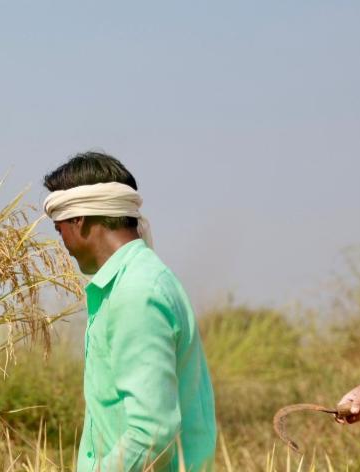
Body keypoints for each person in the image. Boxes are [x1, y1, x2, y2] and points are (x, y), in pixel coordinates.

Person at [42, 152, 217, 471]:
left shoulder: (136, 291)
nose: (63, 243)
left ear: (79, 219)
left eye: (59, 229)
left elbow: (152, 432)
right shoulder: (136, 281)